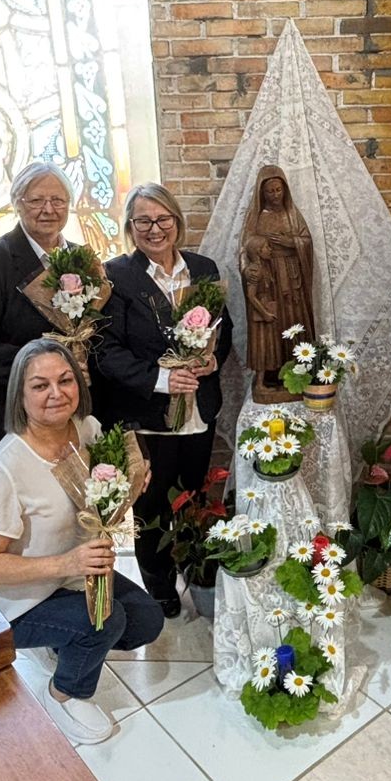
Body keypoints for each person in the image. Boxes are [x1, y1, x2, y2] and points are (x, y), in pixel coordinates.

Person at [0, 339, 163, 745]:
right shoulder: (1, 469)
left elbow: (98, 499)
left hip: (73, 578)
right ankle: (64, 694)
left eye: (65, 380)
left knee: (147, 619)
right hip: (18, 602)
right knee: (106, 620)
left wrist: (131, 483)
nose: (56, 393)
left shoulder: (87, 430)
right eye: (40, 385)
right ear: (20, 396)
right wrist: (66, 564)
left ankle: (62, 640)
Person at [91, 183, 232, 616]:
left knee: (193, 497)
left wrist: (212, 361)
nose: (155, 229)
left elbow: (223, 331)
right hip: (147, 414)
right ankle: (160, 586)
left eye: (163, 219)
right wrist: (161, 379)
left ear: (176, 221)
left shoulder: (203, 268)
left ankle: (195, 570)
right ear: (130, 227)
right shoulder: (115, 276)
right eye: (144, 221)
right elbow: (106, 350)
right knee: (151, 507)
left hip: (198, 411)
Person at [0, 161, 81, 477]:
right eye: (36, 200)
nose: (48, 209)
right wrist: (36, 370)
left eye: (58, 200)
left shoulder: (81, 260)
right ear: (17, 203)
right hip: (3, 420)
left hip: (68, 421)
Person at [240, 165, 316, 393]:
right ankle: (271, 375)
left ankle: (297, 373)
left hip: (292, 280)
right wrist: (247, 270)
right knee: (271, 328)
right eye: (270, 191)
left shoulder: (292, 215)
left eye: (278, 190)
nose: (275, 195)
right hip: (267, 281)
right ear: (261, 193)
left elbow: (307, 241)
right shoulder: (255, 218)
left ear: (285, 190)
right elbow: (244, 250)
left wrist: (291, 242)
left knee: (294, 322)